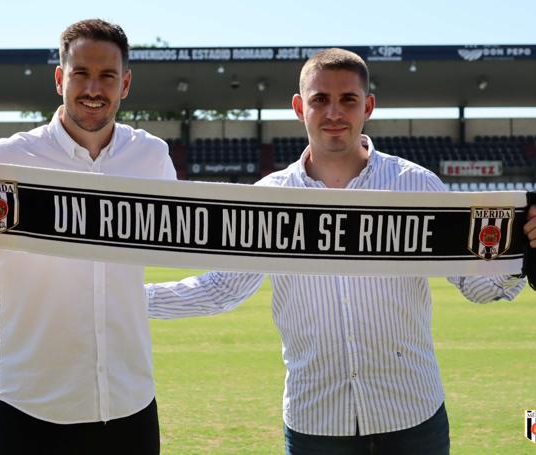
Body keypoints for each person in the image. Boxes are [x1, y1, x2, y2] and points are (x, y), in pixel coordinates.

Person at [146, 48, 536, 454]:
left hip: (412, 415)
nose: (334, 112)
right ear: (299, 107)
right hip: (316, 421)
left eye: (348, 99)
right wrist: (128, 299)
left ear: (367, 105)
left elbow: (476, 285)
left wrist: (521, 249)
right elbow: (220, 290)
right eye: (320, 99)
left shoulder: (417, 187)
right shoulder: (270, 199)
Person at [0, 19, 175, 454]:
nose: (93, 88)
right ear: (60, 78)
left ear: (126, 83)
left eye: (107, 76)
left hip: (129, 407)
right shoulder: (4, 159)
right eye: (81, 73)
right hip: (29, 411)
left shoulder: (151, 157)